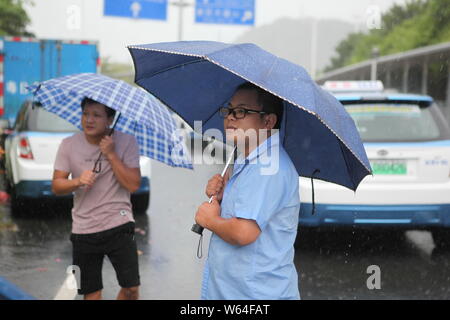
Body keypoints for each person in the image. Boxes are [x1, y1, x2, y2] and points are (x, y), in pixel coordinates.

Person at [195, 82, 301, 300]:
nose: (230, 117)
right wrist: (223, 198)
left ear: (268, 121)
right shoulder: (248, 161)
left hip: (254, 295)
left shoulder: (267, 167)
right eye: (229, 109)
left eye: (242, 111)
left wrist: (210, 220)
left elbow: (245, 232)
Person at [52, 98, 142, 300]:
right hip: (84, 230)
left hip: (119, 224)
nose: (89, 120)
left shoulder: (127, 142)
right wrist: (77, 181)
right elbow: (57, 186)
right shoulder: (68, 145)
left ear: (110, 119)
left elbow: (133, 184)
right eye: (85, 114)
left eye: (96, 115)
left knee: (131, 289)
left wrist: (111, 154)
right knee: (91, 294)